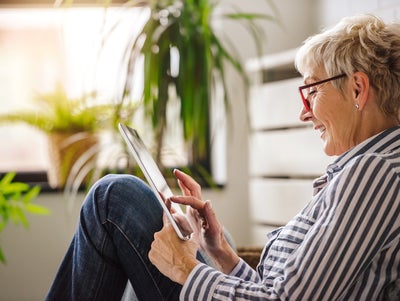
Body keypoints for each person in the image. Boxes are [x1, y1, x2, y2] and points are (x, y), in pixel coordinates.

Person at [46, 13, 400, 300]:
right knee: (135, 206)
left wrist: (185, 269)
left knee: (113, 198)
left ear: (357, 88)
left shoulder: (375, 173)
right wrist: (218, 252)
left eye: (311, 92)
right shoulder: (367, 170)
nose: (303, 113)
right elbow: (280, 289)